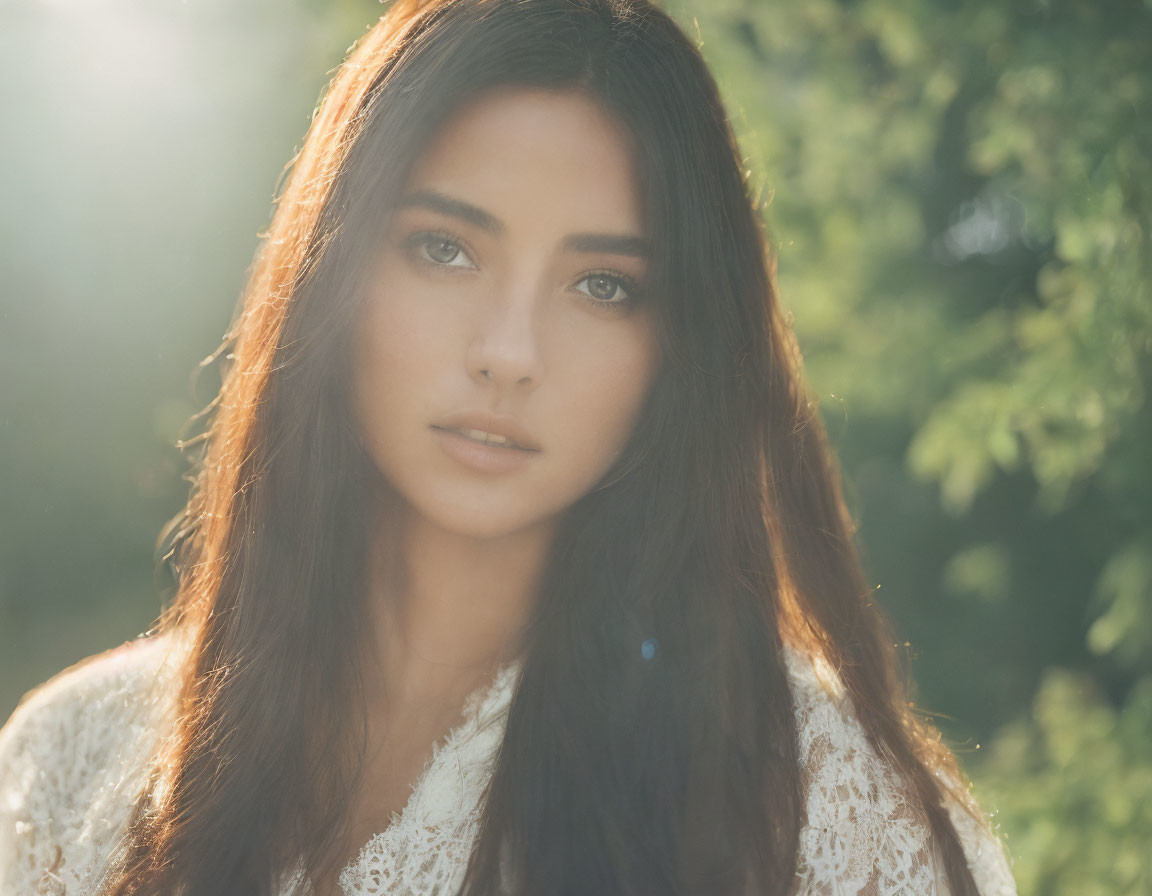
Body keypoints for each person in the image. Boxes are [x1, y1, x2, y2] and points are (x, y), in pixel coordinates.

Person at [0, 0, 1018, 894]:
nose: (508, 352)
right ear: (333, 270)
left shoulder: (831, 823)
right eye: (445, 249)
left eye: (603, 284)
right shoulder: (73, 758)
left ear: (681, 346)